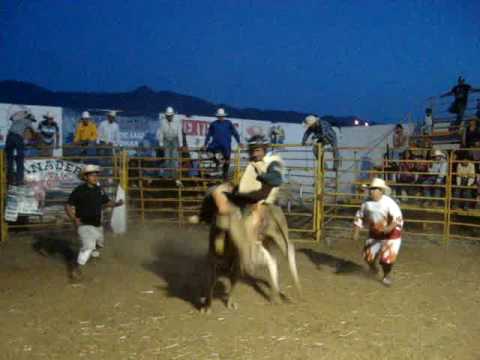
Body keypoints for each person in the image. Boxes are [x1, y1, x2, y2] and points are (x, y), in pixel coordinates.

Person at [199, 135, 284, 270]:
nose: (254, 153)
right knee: (215, 194)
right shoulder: (251, 163)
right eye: (252, 151)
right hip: (242, 195)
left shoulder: (271, 163)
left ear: (264, 150)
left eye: (257, 150)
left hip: (256, 199)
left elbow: (276, 179)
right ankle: (210, 225)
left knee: (250, 222)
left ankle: (250, 251)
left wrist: (261, 176)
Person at [65, 164, 123, 280]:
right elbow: (68, 206)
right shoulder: (79, 190)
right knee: (88, 246)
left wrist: (117, 204)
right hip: (84, 223)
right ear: (86, 177)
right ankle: (76, 269)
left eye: (96, 175)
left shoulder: (99, 190)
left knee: (99, 244)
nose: (95, 177)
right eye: (92, 175)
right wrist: (74, 218)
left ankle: (91, 255)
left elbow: (106, 202)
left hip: (97, 224)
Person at [352, 178, 403, 286]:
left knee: (386, 260)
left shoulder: (389, 203)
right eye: (371, 189)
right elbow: (359, 216)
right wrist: (356, 231)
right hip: (375, 233)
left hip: (391, 235)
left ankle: (386, 275)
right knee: (367, 257)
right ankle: (374, 269)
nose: (372, 191)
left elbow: (397, 218)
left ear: (381, 191)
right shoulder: (366, 203)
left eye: (375, 189)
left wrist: (388, 228)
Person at [203, 108, 243, 179]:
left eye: (222, 116)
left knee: (227, 161)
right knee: (208, 152)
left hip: (226, 146)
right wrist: (205, 144)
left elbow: (235, 133)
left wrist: (239, 142)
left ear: (224, 116)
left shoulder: (228, 123)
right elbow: (209, 134)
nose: (220, 117)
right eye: (219, 116)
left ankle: (225, 176)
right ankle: (217, 162)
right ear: (217, 116)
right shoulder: (214, 124)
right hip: (215, 145)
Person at [5, 110, 36, 185]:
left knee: (9, 160)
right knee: (20, 160)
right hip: (17, 138)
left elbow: (11, 118)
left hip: (9, 137)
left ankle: (9, 181)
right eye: (32, 120)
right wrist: (33, 141)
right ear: (30, 118)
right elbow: (33, 132)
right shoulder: (27, 121)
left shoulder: (17, 119)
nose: (32, 122)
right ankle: (19, 181)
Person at [156, 106, 181, 178]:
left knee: (174, 157)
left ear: (173, 115)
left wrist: (181, 144)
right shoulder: (162, 122)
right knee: (167, 157)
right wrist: (161, 143)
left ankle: (174, 175)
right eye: (168, 116)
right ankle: (167, 174)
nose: (169, 117)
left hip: (174, 139)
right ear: (166, 115)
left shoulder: (177, 121)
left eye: (170, 116)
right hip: (166, 139)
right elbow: (161, 133)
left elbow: (179, 132)